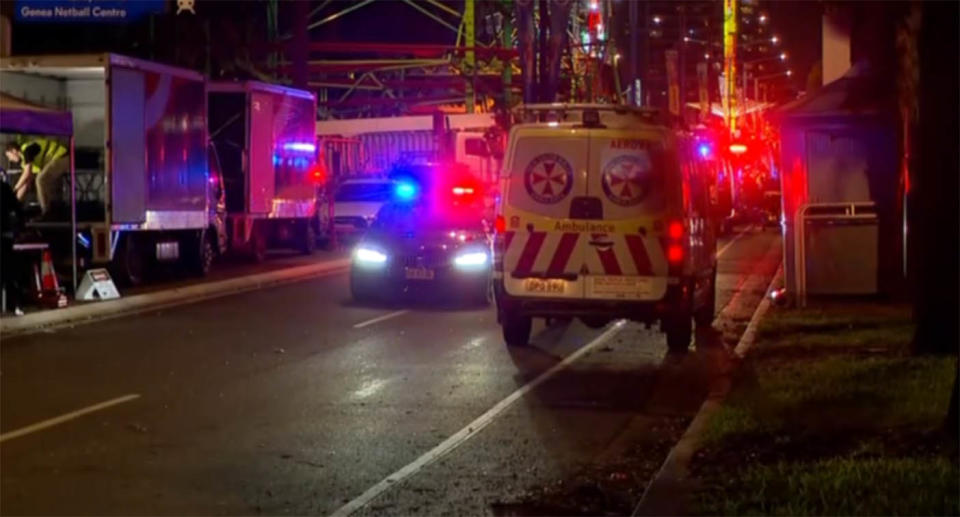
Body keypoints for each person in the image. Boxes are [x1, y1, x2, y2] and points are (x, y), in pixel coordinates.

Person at [4, 138, 68, 216]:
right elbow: (26, 182)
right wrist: (14, 204)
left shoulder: (27, 151)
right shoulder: (24, 161)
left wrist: (14, 189)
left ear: (13, 151)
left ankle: (47, 213)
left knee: (41, 180)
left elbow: (27, 173)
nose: (10, 160)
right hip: (54, 160)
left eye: (9, 156)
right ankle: (14, 212)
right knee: (39, 180)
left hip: (63, 157)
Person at [1, 176, 24, 315]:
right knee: (9, 271)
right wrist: (18, 229)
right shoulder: (4, 187)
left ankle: (14, 303)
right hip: (6, 234)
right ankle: (16, 304)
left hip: (4, 233)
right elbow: (17, 209)